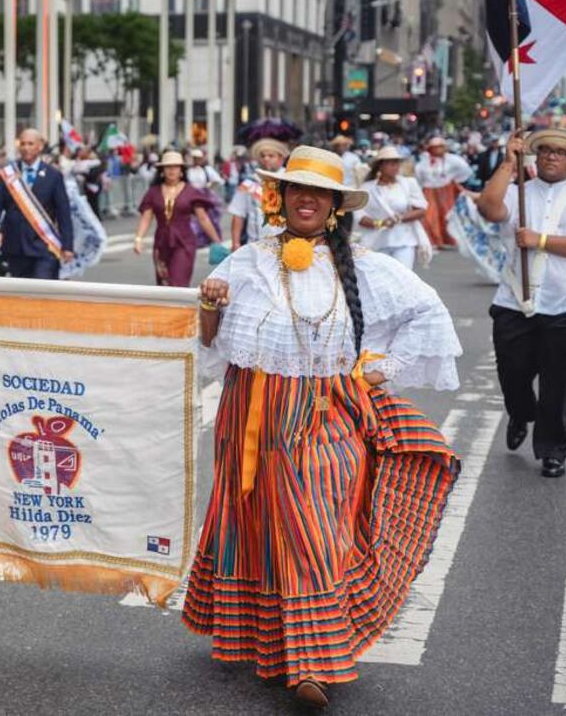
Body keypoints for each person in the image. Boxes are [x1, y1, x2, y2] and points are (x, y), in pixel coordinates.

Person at [184, 145, 461, 708]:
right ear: (280, 199)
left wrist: (380, 372)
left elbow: (428, 313)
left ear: (334, 205)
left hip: (327, 413)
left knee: (312, 526)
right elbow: (207, 350)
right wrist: (210, 309)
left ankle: (312, 660)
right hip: (250, 413)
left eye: (319, 192)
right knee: (259, 525)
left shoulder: (365, 265)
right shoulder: (243, 261)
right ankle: (268, 643)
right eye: (295, 189)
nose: (306, 199)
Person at [476, 129, 566, 478]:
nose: (552, 156)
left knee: (557, 384)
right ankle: (520, 413)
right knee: (512, 375)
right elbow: (488, 208)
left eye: (561, 152)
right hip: (513, 302)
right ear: (536, 157)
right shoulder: (518, 195)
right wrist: (508, 163)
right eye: (546, 151)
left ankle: (552, 450)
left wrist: (541, 240)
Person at [0, 128, 75, 279]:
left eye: (30, 144)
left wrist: (67, 246)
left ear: (40, 146)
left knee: (40, 295)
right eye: (22, 144)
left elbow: (63, 213)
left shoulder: (53, 176)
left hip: (44, 248)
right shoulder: (8, 174)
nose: (26, 148)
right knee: (19, 297)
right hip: (14, 248)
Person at [132, 151, 222, 287]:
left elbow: (203, 218)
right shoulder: (153, 192)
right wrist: (138, 239)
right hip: (161, 243)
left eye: (175, 167)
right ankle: (165, 309)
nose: (171, 170)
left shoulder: (191, 191)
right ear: (162, 170)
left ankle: (180, 308)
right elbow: (146, 218)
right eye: (168, 167)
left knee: (178, 283)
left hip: (184, 242)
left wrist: (217, 241)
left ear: (181, 170)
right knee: (164, 284)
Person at [356, 146, 431, 269]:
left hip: (405, 240)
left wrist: (400, 218)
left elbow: (421, 210)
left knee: (404, 277)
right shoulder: (367, 188)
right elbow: (359, 216)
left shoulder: (408, 184)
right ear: (380, 166)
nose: (395, 166)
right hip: (377, 242)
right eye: (391, 163)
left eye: (397, 163)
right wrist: (381, 223)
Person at [228, 138, 288, 251]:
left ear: (281, 158)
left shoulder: (291, 181)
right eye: (263, 156)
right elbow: (238, 214)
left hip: (285, 247)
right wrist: (235, 243)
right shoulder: (249, 183)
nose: (266, 159)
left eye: (271, 156)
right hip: (254, 247)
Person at [415, 135, 473, 249]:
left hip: (447, 190)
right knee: (430, 215)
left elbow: (466, 170)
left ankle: (450, 240)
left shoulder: (453, 159)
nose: (438, 149)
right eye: (435, 147)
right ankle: (434, 241)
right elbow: (419, 177)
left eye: (440, 147)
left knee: (448, 215)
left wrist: (453, 180)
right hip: (429, 191)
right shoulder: (424, 161)